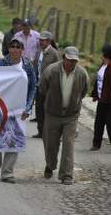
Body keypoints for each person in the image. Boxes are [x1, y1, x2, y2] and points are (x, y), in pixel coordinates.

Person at [38, 46, 89, 185]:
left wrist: (75, 102)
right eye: (69, 60)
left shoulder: (82, 74)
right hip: (52, 113)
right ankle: (50, 165)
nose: (72, 63)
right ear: (64, 58)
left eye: (74, 61)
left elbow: (84, 91)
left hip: (71, 115)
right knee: (50, 144)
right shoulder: (51, 70)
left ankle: (66, 175)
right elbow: (42, 88)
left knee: (68, 144)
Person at [0, 38, 36, 183]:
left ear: (22, 50)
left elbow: (33, 87)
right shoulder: (2, 64)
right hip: (1, 107)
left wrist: (28, 107)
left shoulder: (27, 65)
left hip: (19, 109)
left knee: (14, 140)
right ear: (9, 49)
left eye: (18, 47)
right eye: (12, 46)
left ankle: (7, 173)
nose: (15, 49)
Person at [91, 44, 111, 154]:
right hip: (102, 100)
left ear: (106, 54)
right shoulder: (103, 66)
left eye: (102, 52)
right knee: (98, 123)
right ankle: (96, 144)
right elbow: (99, 81)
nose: (101, 55)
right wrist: (95, 94)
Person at [33, 30, 60, 138]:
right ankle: (40, 131)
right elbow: (36, 66)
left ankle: (48, 132)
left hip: (49, 87)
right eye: (40, 40)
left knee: (47, 110)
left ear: (49, 41)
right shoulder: (39, 52)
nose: (40, 42)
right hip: (39, 85)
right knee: (39, 109)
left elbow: (59, 70)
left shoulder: (54, 54)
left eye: (43, 40)